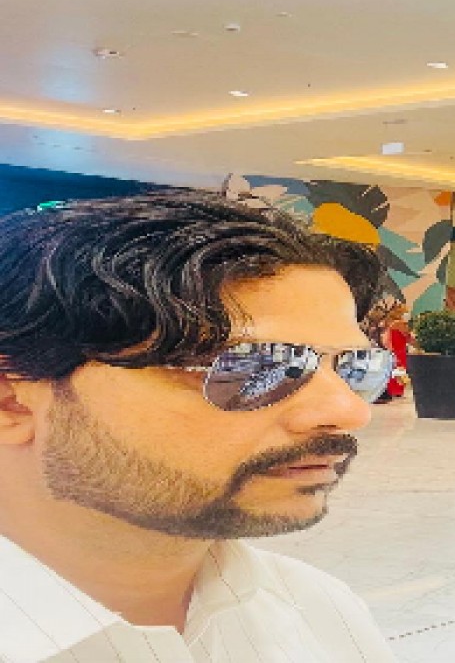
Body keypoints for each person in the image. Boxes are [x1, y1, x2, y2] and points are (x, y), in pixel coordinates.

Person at [0, 192, 397, 662]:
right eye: (250, 366)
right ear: (12, 400)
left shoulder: (318, 611)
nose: (349, 412)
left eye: (354, 366)